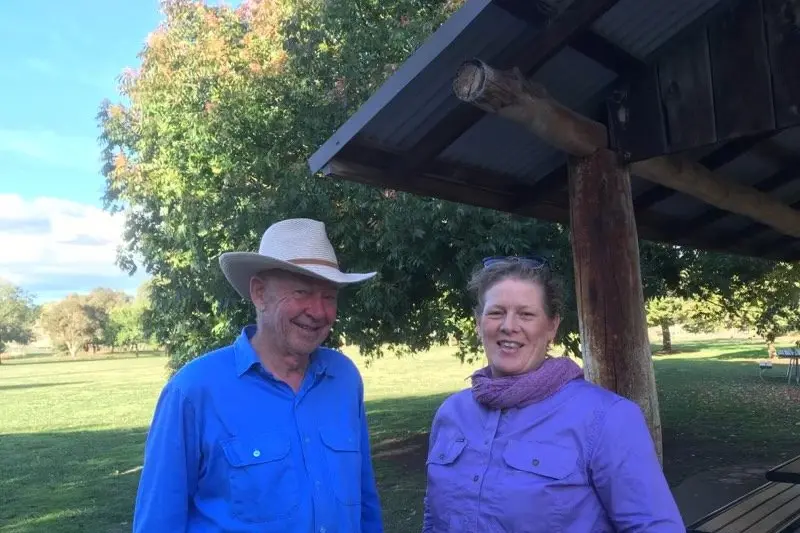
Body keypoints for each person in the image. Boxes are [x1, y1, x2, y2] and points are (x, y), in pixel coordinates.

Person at [133, 218, 384, 533]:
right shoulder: (194, 391)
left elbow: (364, 500)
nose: (318, 311)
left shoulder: (344, 378)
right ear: (260, 293)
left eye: (329, 296)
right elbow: (158, 522)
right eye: (302, 292)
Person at [422, 256, 684, 532]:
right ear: (478, 323)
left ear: (552, 327)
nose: (509, 326)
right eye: (496, 312)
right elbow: (433, 517)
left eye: (526, 314)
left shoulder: (607, 417)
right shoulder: (452, 413)